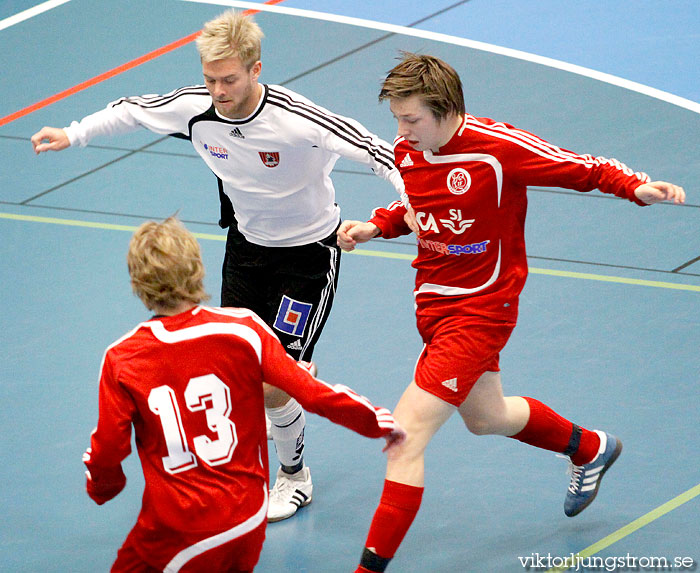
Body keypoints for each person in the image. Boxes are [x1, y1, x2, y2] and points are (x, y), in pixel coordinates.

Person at [31, 9, 405, 522]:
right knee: (239, 371)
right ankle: (274, 416)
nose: (218, 91)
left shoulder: (298, 118)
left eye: (229, 79)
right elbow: (133, 110)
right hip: (246, 252)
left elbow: (382, 154)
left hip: (308, 257)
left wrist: (415, 207)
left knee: (276, 382)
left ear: (256, 69)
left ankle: (295, 477)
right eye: (210, 79)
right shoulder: (196, 108)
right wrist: (74, 134)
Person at [337, 52, 686, 573]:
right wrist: (377, 226)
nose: (401, 132)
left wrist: (633, 187)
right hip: (432, 303)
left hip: (481, 309)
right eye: (397, 119)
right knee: (486, 417)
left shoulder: (498, 149)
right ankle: (590, 447)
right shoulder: (408, 152)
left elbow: (577, 166)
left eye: (411, 119)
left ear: (447, 110)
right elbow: (417, 207)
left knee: (403, 435)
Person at [82, 216, 406, 572]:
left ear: (137, 283)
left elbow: (109, 453)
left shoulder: (123, 357)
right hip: (249, 516)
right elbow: (313, 393)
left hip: (180, 526)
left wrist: (102, 487)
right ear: (197, 269)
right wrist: (377, 421)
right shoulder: (244, 330)